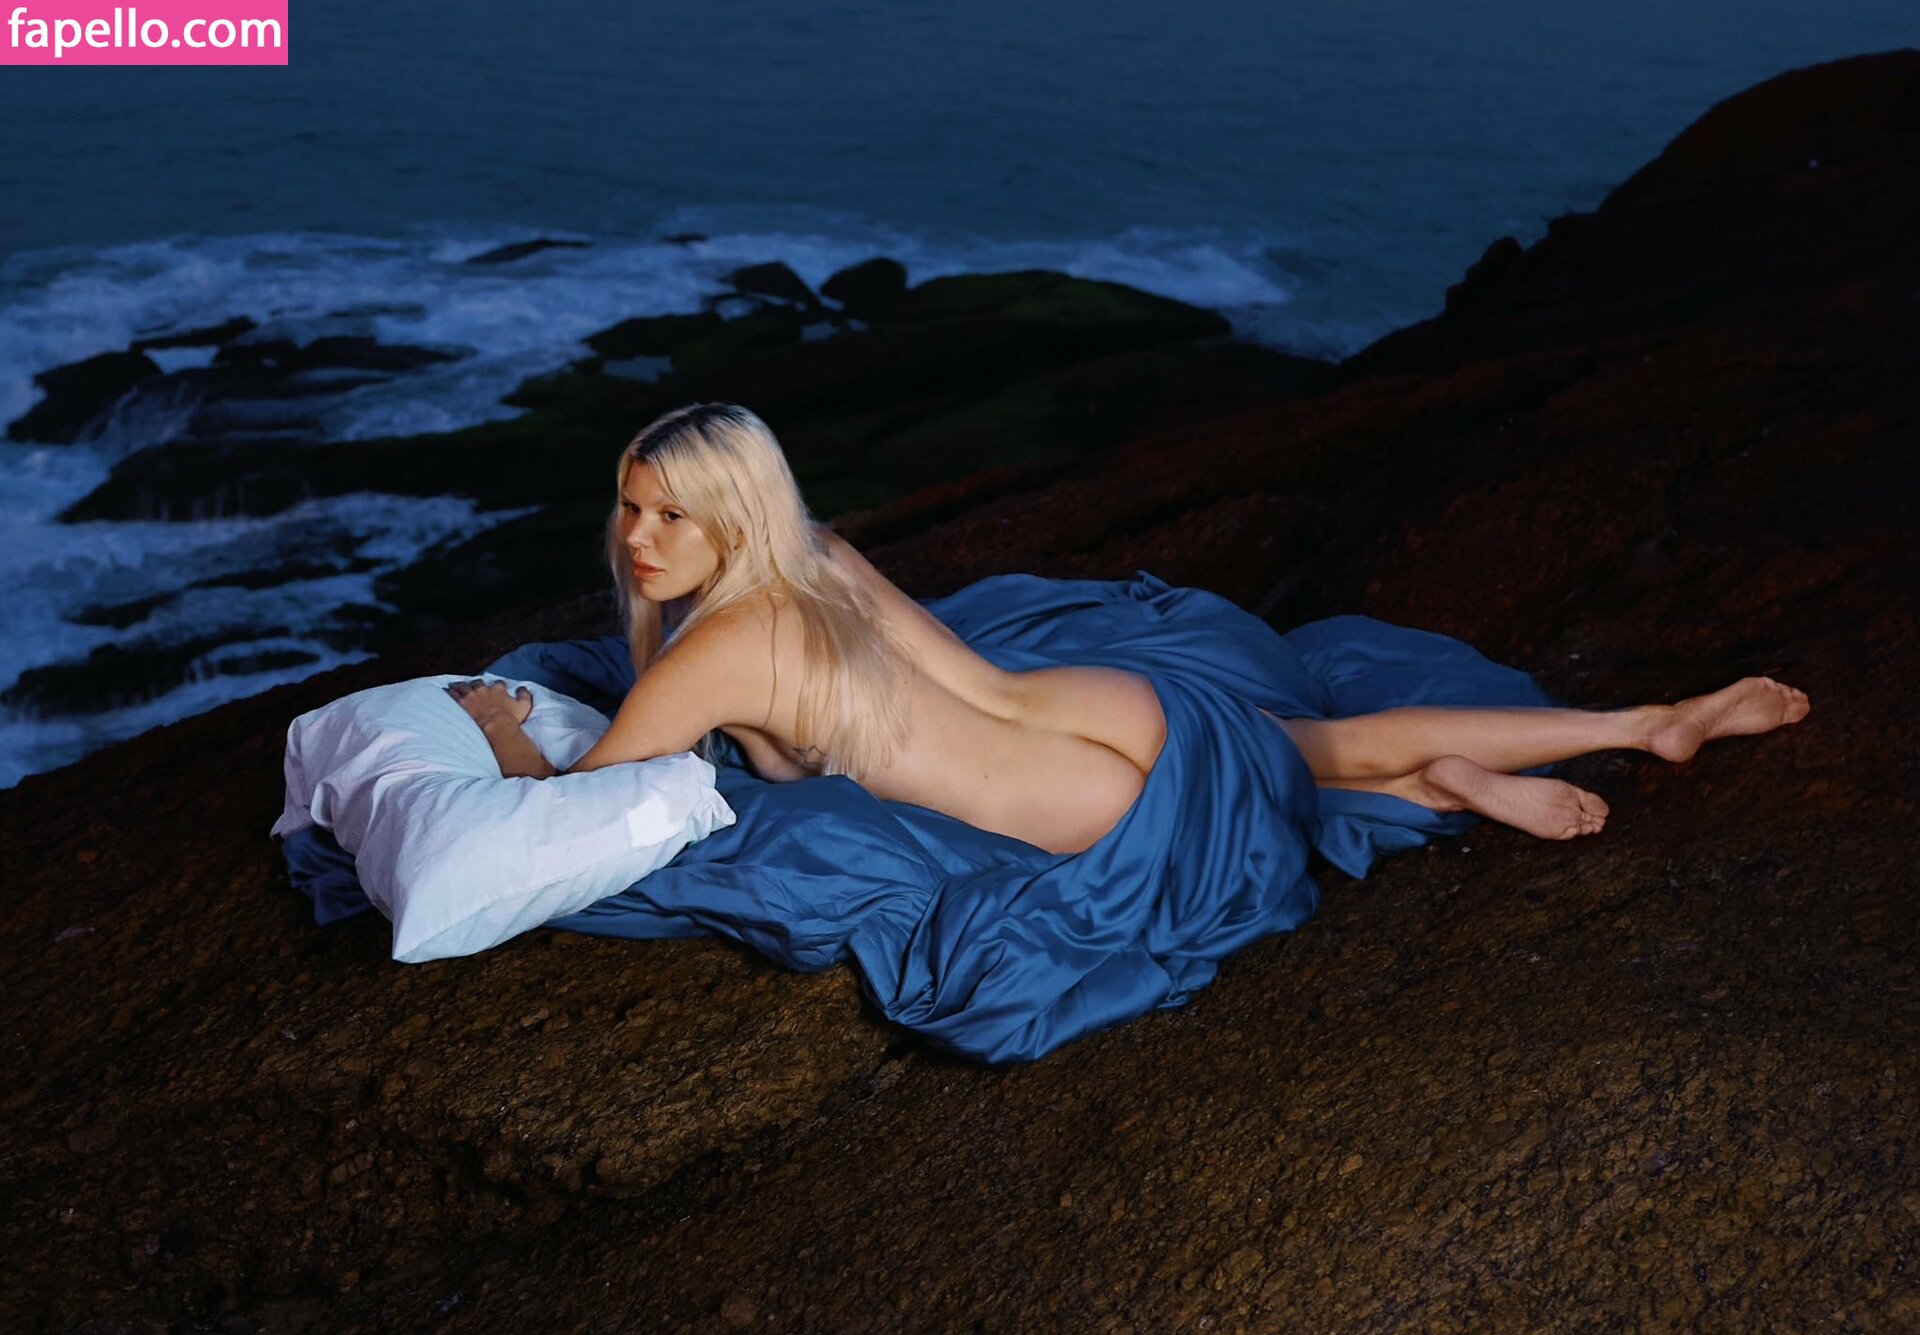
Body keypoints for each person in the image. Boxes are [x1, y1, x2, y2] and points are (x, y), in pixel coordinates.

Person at [448, 402, 1809, 856]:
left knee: (1281, 813)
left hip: (1050, 790)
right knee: (1325, 746)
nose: (640, 538)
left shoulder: (710, 653)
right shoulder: (819, 554)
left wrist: (503, 726)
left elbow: (571, 807)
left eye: (670, 516)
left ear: (732, 519)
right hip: (1080, 704)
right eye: (632, 507)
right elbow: (972, 676)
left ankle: (1460, 783)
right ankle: (1635, 725)